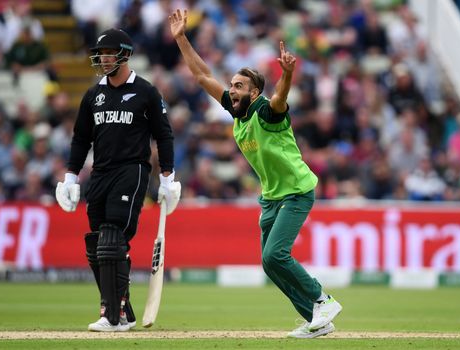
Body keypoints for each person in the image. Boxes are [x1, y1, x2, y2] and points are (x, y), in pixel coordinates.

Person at [169, 9, 342, 339]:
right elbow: (203, 76)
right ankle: (316, 319)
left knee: (276, 254)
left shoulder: (265, 110)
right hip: (271, 197)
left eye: (239, 86)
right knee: (269, 263)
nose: (231, 90)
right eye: (232, 85)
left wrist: (287, 75)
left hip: (296, 191)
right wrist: (181, 38)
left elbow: (279, 99)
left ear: (254, 92)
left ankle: (323, 299)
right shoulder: (237, 112)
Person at [55, 28, 181, 332]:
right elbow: (81, 138)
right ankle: (123, 312)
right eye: (100, 55)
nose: (103, 60)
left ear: (124, 55)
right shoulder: (93, 94)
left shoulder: (146, 92)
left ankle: (111, 316)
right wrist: (71, 176)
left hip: (132, 171)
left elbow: (164, 135)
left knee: (113, 237)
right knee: (98, 242)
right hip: (100, 173)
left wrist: (167, 176)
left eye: (109, 54)